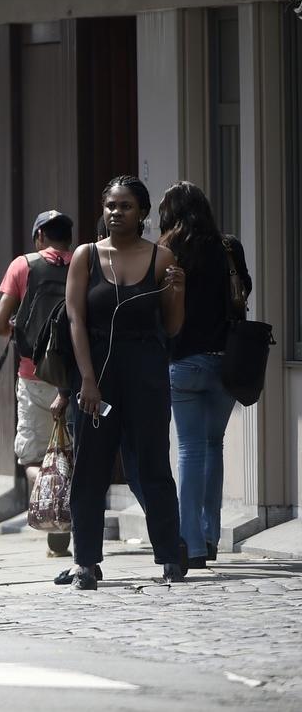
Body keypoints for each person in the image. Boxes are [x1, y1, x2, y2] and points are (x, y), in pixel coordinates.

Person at [63, 175, 186, 590]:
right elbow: (76, 319)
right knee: (91, 468)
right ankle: (86, 561)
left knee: (152, 463)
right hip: (96, 367)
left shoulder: (161, 258)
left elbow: (171, 326)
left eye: (126, 206)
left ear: (143, 213)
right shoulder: (85, 255)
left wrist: (176, 293)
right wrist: (87, 380)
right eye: (111, 205)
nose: (116, 213)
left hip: (146, 369)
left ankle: (171, 554)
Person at [158, 181, 251, 570]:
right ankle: (211, 534)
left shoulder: (168, 251)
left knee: (190, 450)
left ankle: (191, 545)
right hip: (226, 362)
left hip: (184, 361)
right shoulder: (229, 247)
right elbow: (243, 290)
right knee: (215, 445)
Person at [0, 209, 75, 557]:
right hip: (75, 375)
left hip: (33, 374)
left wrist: (22, 328)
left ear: (39, 237)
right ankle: (70, 503)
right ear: (67, 238)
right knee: (75, 452)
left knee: (33, 456)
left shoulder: (22, 266)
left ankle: (52, 502)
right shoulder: (83, 263)